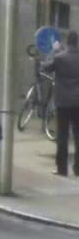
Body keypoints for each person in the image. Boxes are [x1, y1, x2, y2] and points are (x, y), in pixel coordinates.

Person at [42, 30, 79, 177]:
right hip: (78, 102)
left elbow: (44, 67)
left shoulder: (59, 58)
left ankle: (62, 169)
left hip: (63, 102)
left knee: (62, 136)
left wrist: (54, 50)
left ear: (66, 42)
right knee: (78, 136)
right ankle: (78, 168)